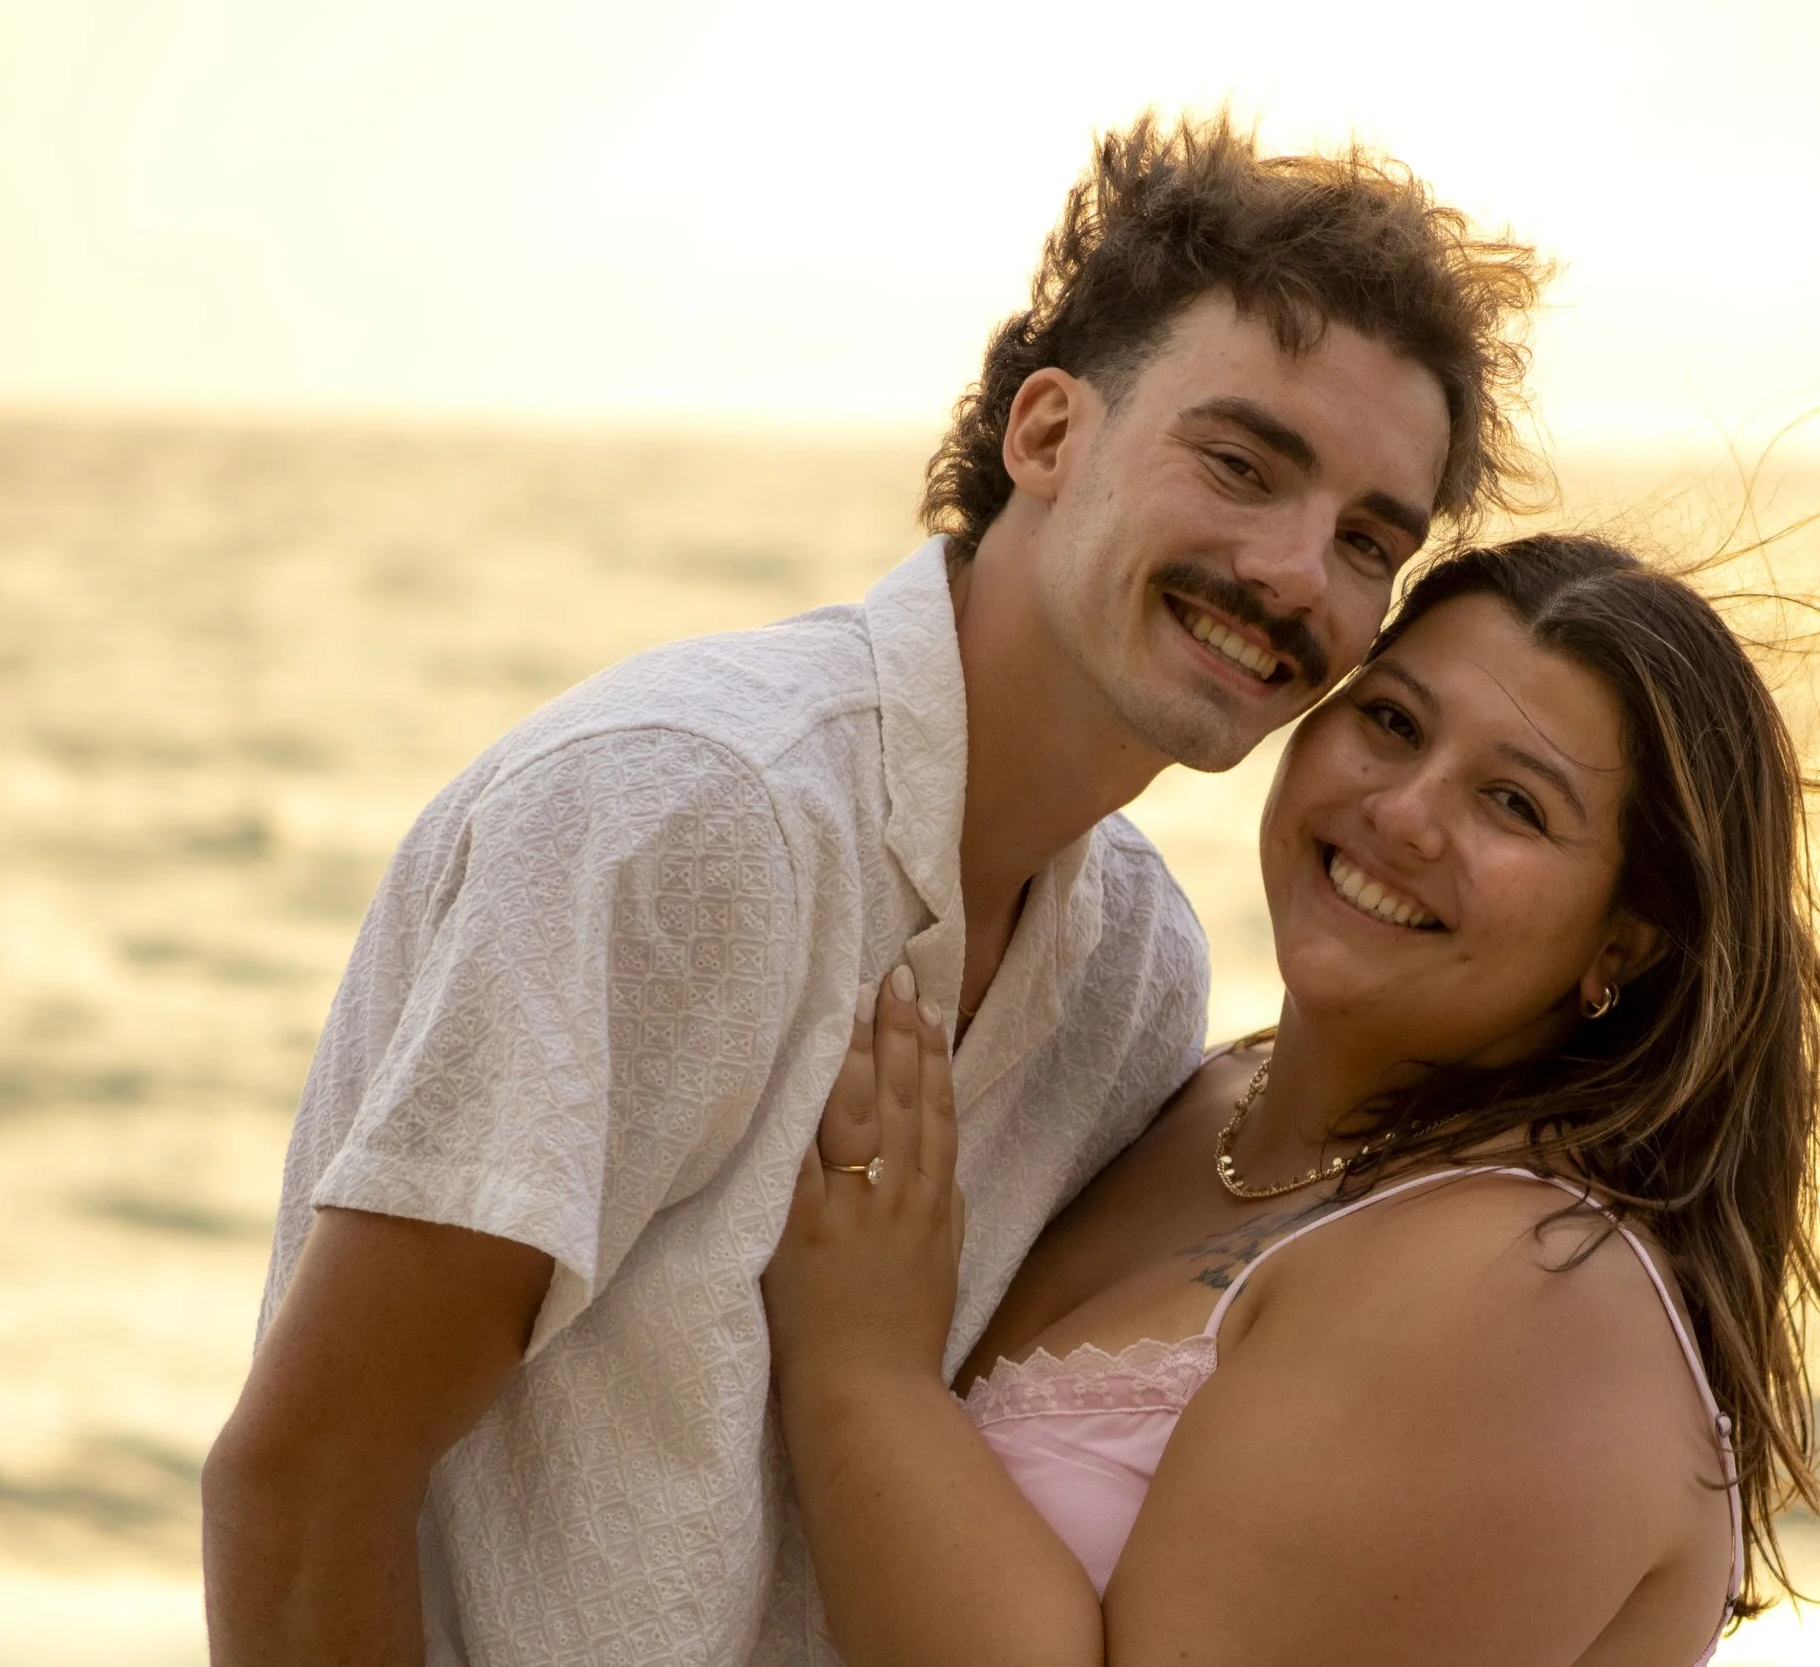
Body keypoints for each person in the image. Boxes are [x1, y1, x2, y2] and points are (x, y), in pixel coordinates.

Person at [201, 115, 1544, 1666]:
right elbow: (303, 1476)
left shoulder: (1135, 973)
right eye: (1242, 463)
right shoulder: (699, 817)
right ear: (1047, 436)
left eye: (1370, 539)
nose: (1301, 573)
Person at [762, 533, 1820, 1666]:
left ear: (1626, 939)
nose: (1403, 812)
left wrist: (862, 1372)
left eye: (1513, 801)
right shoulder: (1196, 1095)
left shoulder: (1523, 1285)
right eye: (1392, 721)